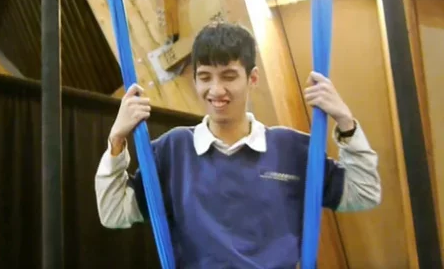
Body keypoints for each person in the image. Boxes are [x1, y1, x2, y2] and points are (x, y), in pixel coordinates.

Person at [95, 22, 381, 268]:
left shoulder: (292, 149)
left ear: (252, 78)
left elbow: (364, 193)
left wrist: (346, 122)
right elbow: (114, 212)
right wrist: (117, 139)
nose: (216, 90)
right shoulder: (173, 150)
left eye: (229, 76)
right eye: (205, 77)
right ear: (195, 80)